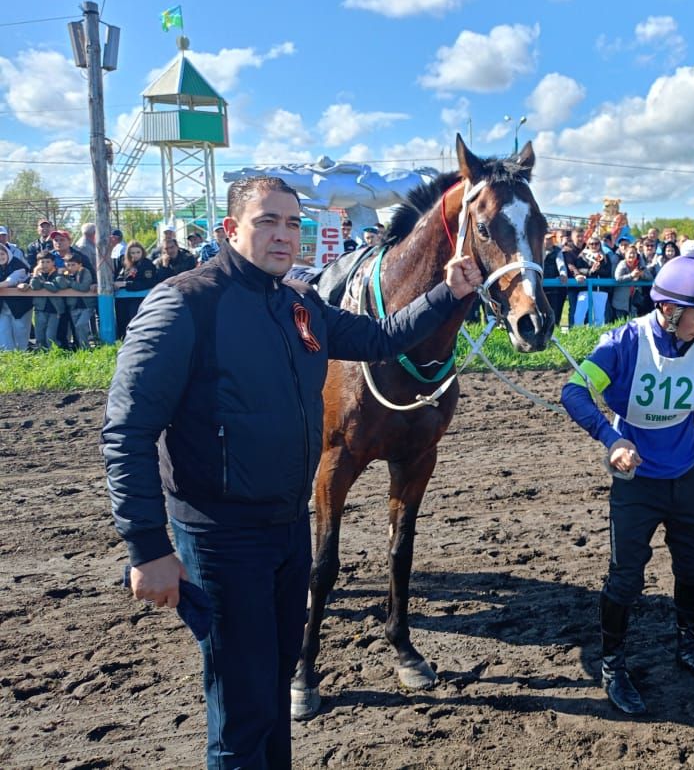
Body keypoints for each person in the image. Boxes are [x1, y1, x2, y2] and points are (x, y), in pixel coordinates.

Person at [103, 176, 482, 769]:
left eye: (291, 223)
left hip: (287, 527)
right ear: (231, 229)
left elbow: (382, 337)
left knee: (274, 690)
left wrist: (447, 292)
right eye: (267, 221)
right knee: (241, 704)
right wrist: (147, 547)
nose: (283, 235)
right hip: (219, 534)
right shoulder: (183, 303)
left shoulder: (300, 303)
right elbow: (126, 431)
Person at [560, 255, 694, 715]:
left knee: (692, 567)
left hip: (687, 473)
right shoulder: (622, 343)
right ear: (669, 309)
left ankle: (689, 647)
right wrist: (612, 439)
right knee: (626, 577)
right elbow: (573, 391)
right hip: (637, 480)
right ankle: (612, 666)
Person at [114, 241, 160, 339]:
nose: (135, 255)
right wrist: (118, 283)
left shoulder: (147, 264)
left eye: (138, 252)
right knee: (122, 321)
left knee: (135, 321)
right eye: (132, 253)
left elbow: (148, 283)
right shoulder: (127, 264)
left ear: (142, 252)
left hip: (139, 299)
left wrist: (126, 284)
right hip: (124, 299)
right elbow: (121, 276)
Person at [0, 242, 33, 350]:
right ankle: (9, 357)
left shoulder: (18, 265)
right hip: (3, 307)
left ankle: (21, 356)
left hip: (20, 306)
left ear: (7, 253)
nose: (0, 257)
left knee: (20, 332)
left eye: (2, 254)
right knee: (3, 334)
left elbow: (10, 281)